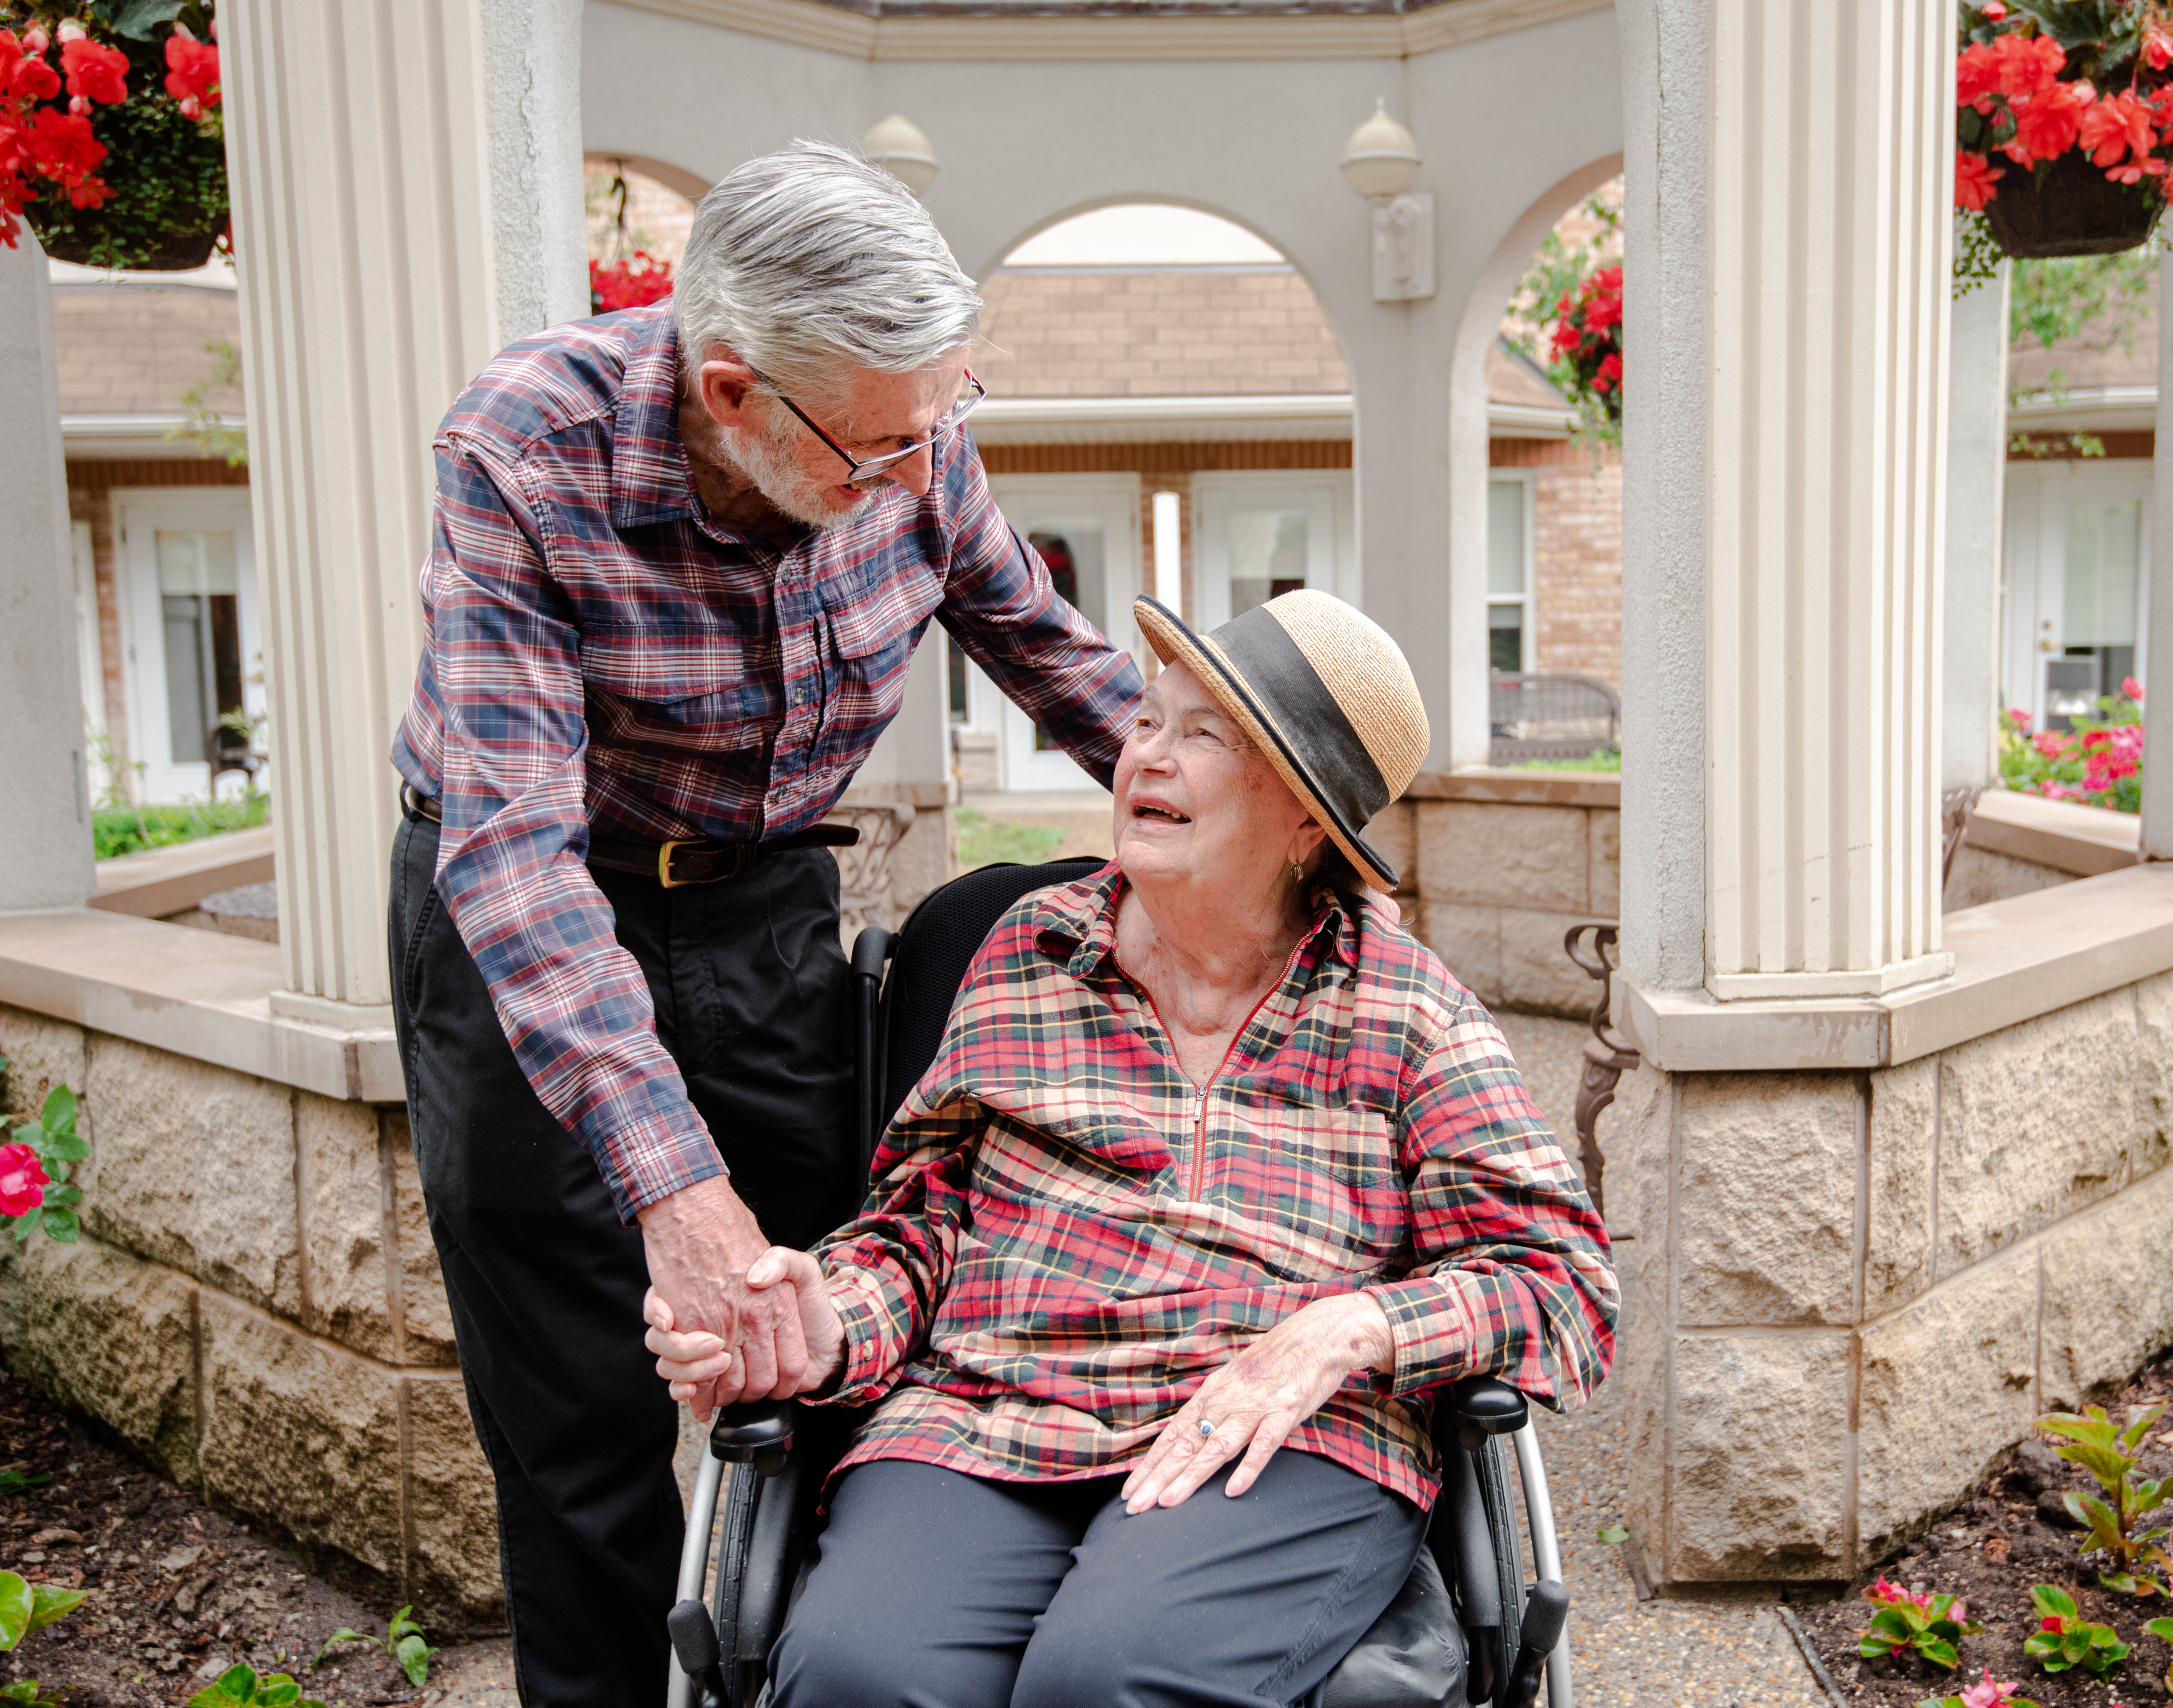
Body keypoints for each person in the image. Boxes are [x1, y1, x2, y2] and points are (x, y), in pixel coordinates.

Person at [385, 141, 1145, 1708]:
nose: (912, 468)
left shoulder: (911, 438)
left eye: (938, 422)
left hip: (762, 918)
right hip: (527, 931)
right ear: (733, 392)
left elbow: (1057, 660)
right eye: (875, 446)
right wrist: (671, 1187)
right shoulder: (528, 448)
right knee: (582, 1421)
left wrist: (1282, 832)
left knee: (832, 1346)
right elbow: (513, 854)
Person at [646, 591, 1618, 1708]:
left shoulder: (1403, 1012)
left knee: (1104, 1681)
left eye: (1205, 736)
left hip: (1265, 1431)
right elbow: (925, 1223)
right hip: (987, 1411)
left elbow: (1565, 1287)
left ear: (1306, 822)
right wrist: (824, 1323)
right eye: (1150, 720)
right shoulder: (1028, 950)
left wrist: (1348, 1328)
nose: (1148, 755)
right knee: (854, 1675)